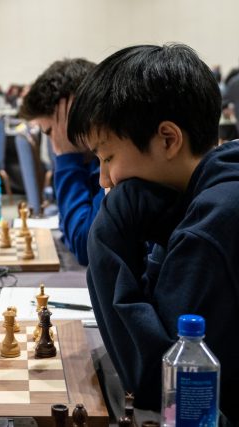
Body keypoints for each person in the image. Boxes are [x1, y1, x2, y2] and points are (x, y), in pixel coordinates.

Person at [67, 43, 237, 424]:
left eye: (108, 157)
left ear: (167, 139)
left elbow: (160, 379)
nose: (103, 179)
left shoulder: (211, 227)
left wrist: (107, 233)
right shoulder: (212, 187)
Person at [20, 58, 103, 266]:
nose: (54, 144)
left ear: (75, 113)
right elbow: (67, 227)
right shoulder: (90, 160)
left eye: (51, 132)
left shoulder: (114, 165)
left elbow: (85, 246)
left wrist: (67, 157)